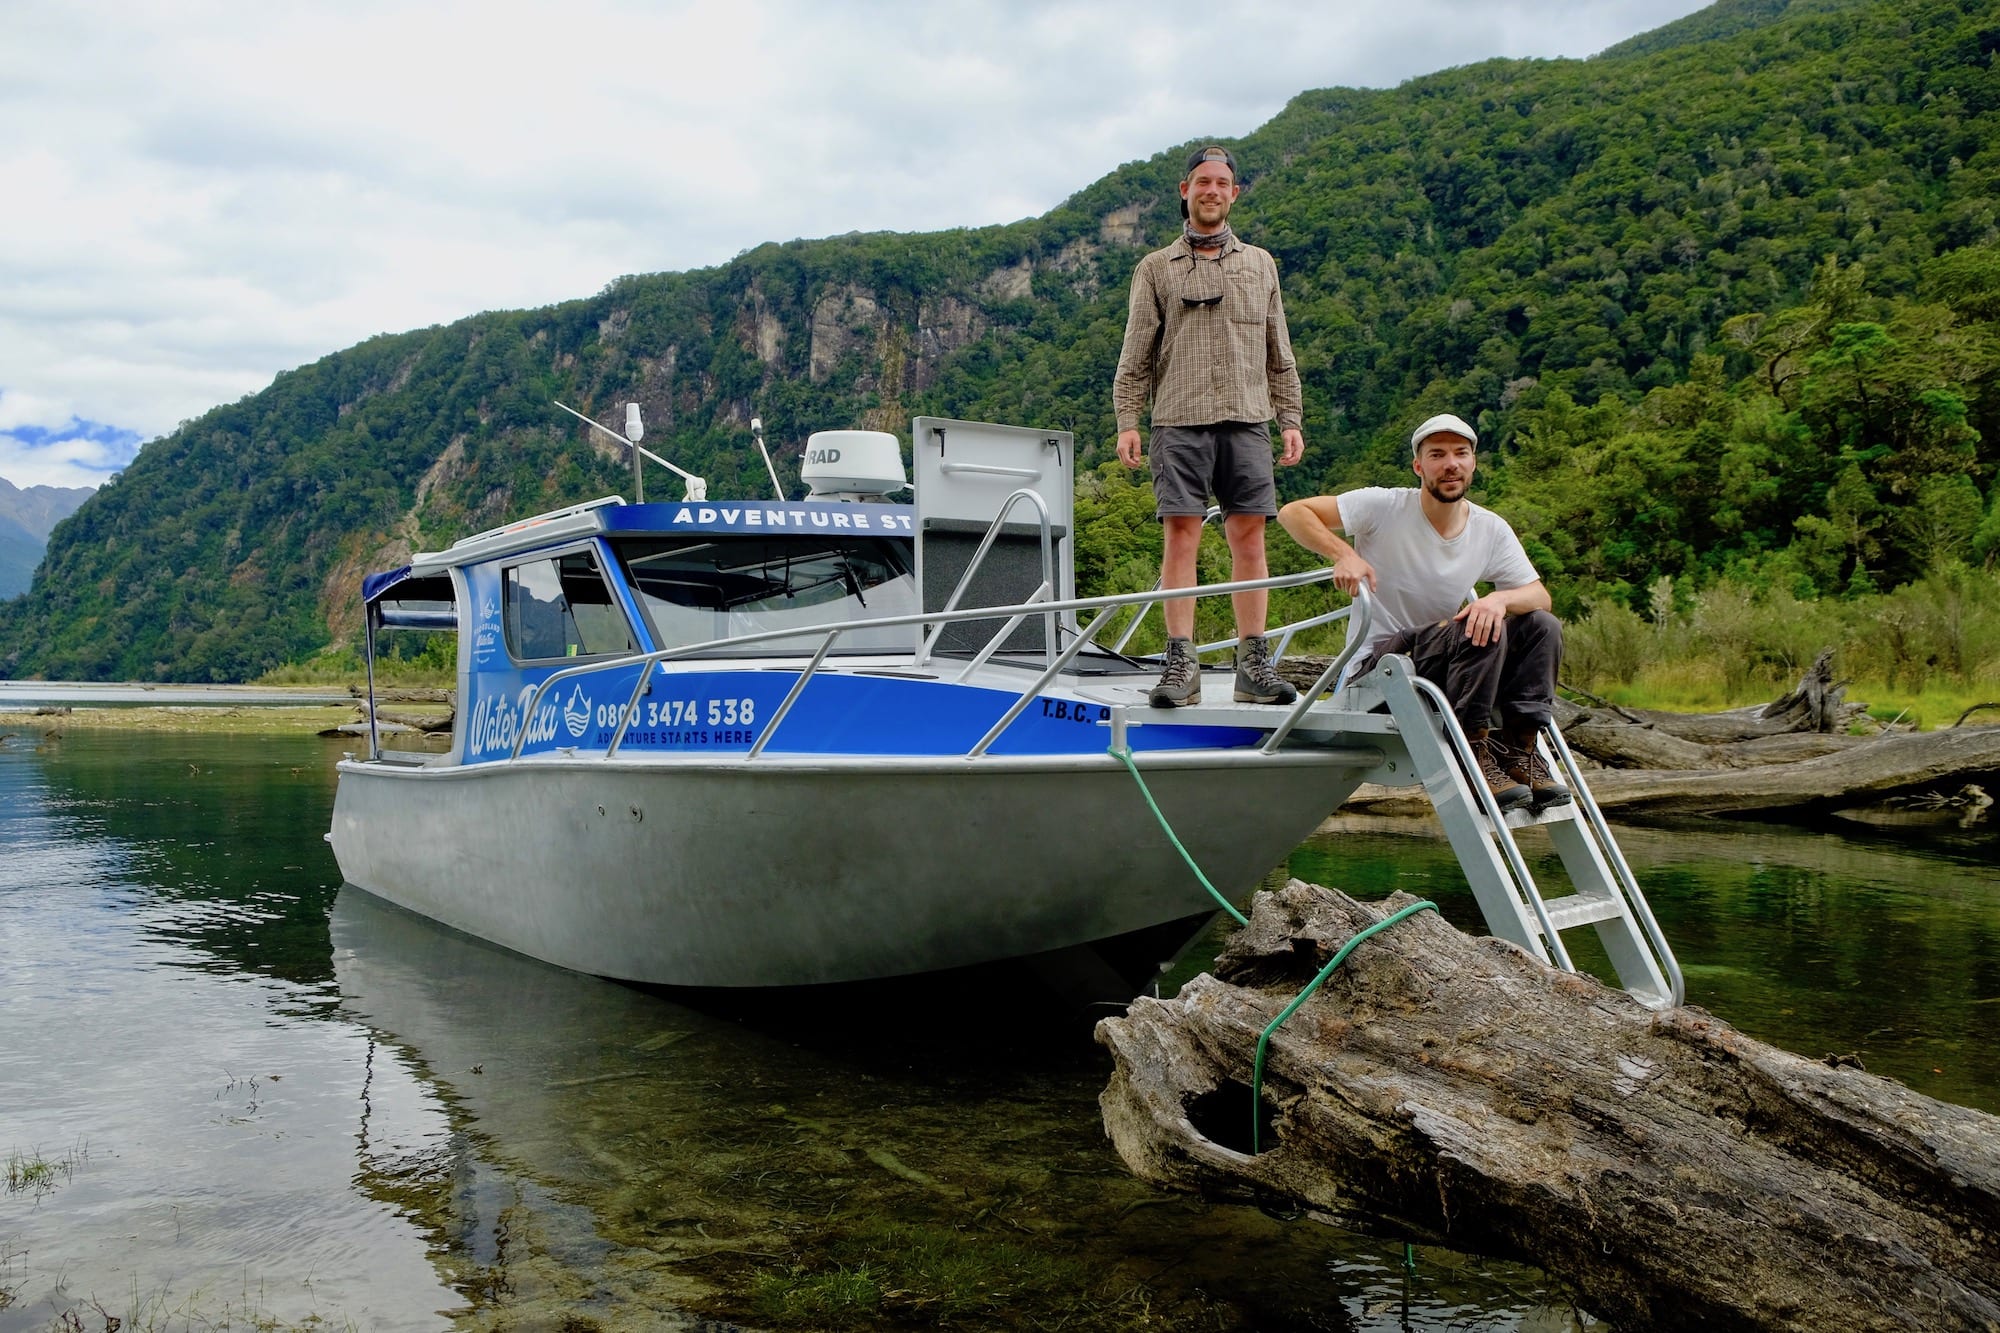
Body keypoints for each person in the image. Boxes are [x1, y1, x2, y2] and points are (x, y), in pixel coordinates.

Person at [1276, 413, 1570, 812]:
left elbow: (1539, 595)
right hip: (1380, 665)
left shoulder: (1490, 527)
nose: (1451, 463)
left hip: (1449, 659)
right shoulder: (1384, 506)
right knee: (1479, 627)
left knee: (1541, 625)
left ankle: (1520, 749)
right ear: (1419, 466)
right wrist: (1344, 554)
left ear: (1473, 462)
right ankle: (1474, 755)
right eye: (1437, 454)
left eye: (1460, 453)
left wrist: (1497, 599)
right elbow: (1293, 513)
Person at [1113, 144, 1305, 709]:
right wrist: (1129, 419)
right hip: (1178, 420)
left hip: (1249, 419)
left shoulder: (1260, 263)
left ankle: (1254, 664)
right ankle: (1180, 663)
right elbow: (1136, 351)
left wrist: (1289, 416)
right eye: (1203, 182)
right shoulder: (1154, 268)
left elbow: (1279, 347)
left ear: (1234, 193)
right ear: (1186, 190)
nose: (1213, 191)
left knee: (1250, 538)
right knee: (1182, 538)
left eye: (1222, 183)